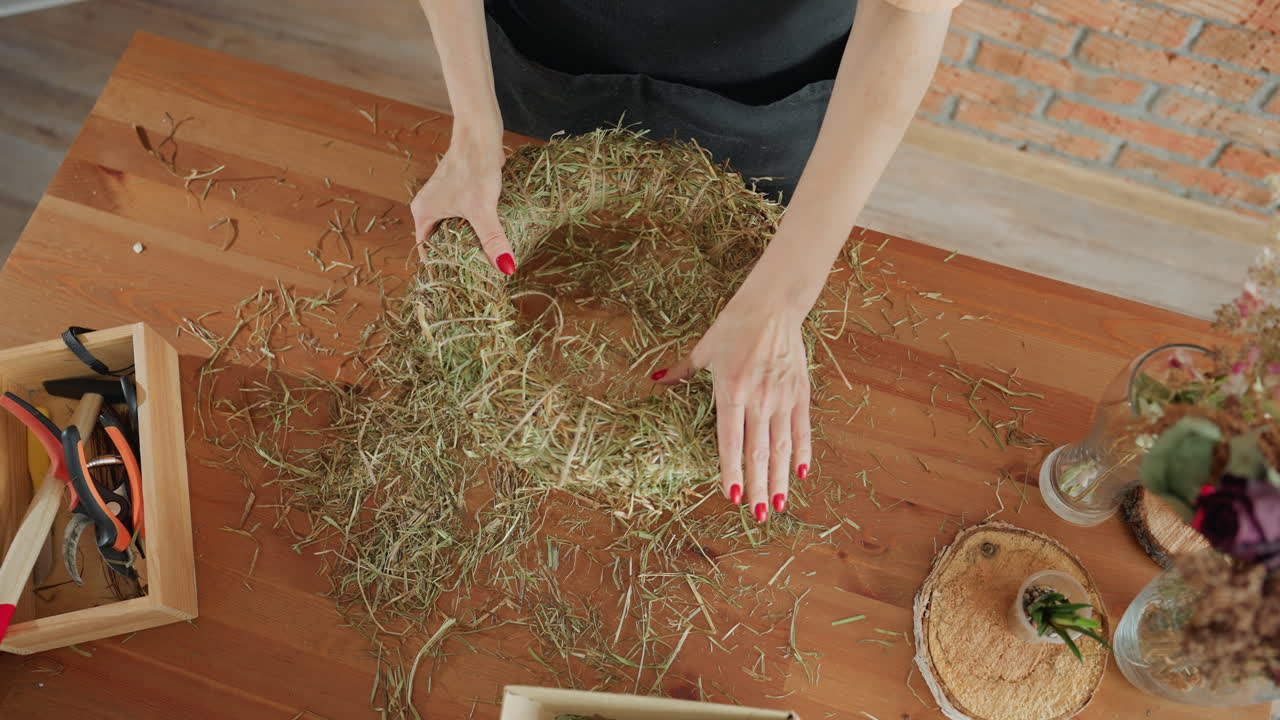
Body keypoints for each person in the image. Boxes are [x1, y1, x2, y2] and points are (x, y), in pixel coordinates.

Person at [412, 1, 959, 523]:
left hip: (764, 88)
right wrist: (474, 129)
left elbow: (902, 15)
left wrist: (779, 301)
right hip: (557, 56)